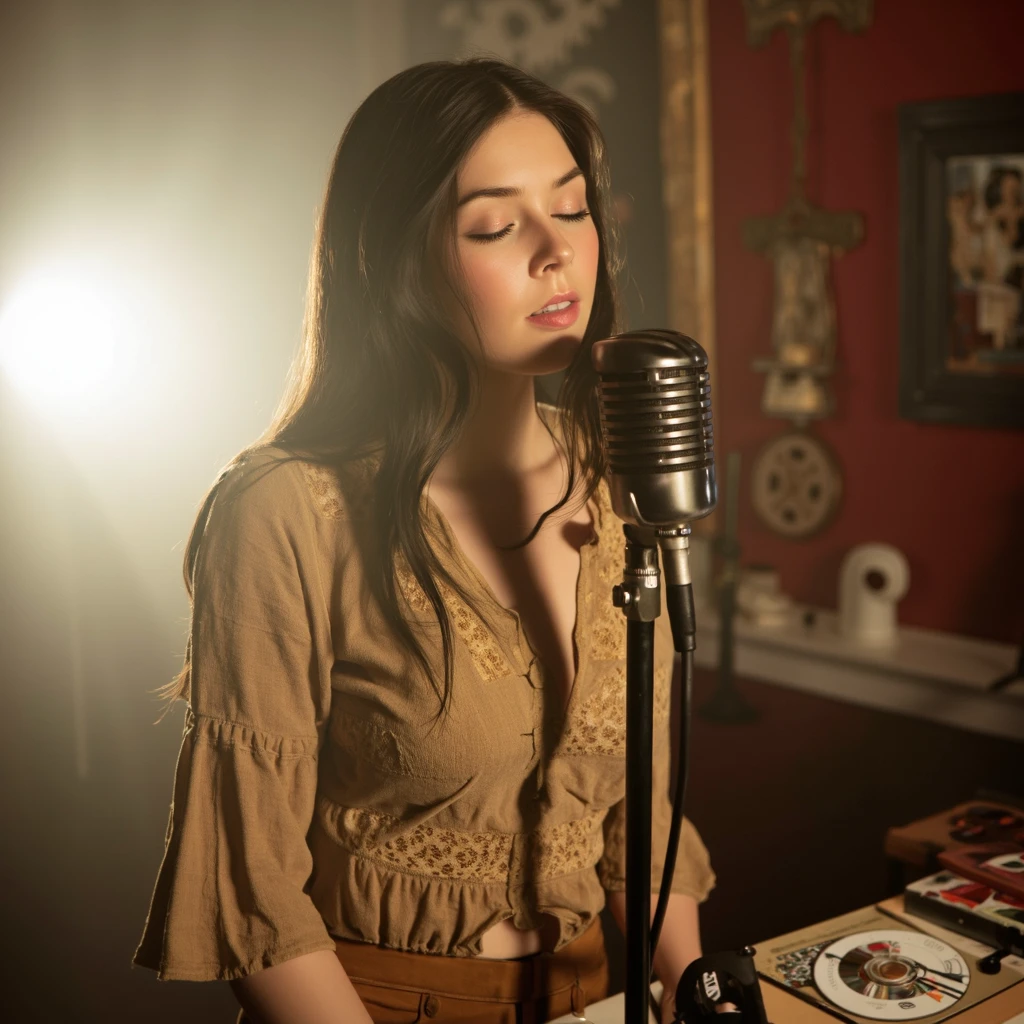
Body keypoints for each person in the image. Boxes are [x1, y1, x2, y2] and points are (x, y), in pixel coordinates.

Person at [132, 58, 716, 1024]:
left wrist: (686, 985)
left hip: (590, 994)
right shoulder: (285, 513)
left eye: (572, 210)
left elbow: (637, 810)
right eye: (496, 225)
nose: (556, 252)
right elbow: (251, 893)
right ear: (391, 261)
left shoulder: (621, 478)